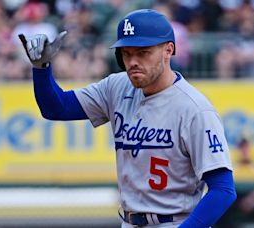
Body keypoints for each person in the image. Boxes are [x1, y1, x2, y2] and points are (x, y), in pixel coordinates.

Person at [19, 9, 236, 228]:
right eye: (127, 53)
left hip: (176, 222)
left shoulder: (195, 110)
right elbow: (56, 108)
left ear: (168, 50)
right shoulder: (117, 86)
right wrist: (41, 69)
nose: (133, 61)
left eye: (143, 53)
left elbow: (223, 190)